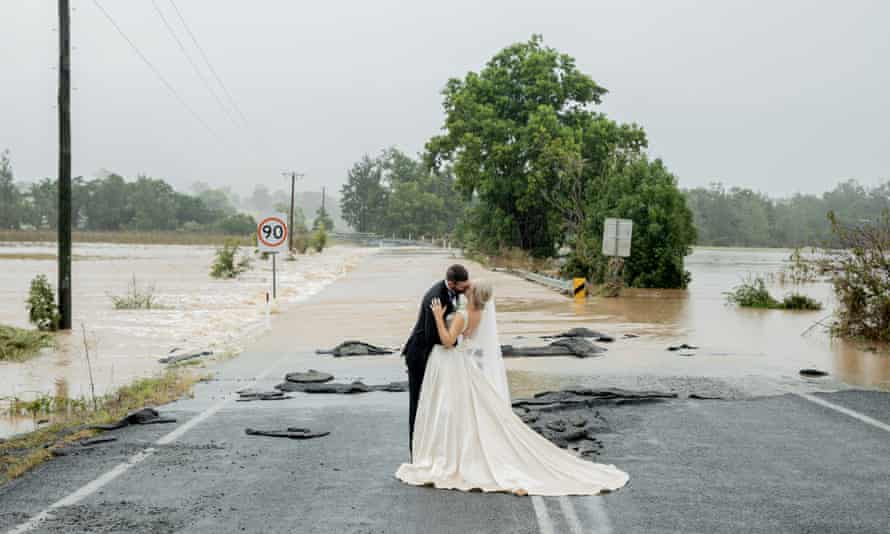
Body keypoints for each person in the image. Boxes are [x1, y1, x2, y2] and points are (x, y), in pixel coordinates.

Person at [396, 281, 629, 496]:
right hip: (465, 365)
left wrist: (438, 316)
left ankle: (449, 454)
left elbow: (447, 341)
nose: (466, 288)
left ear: (474, 294)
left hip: (455, 363)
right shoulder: (480, 314)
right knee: (471, 411)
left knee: (452, 410)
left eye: (470, 288)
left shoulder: (463, 314)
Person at [402, 264, 470, 459]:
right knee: (418, 402)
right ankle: (416, 451)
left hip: (435, 355)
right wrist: (455, 339)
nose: (465, 289)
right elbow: (433, 335)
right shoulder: (436, 297)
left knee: (433, 402)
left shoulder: (453, 291)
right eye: (462, 286)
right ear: (451, 283)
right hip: (419, 354)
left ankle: (433, 447)